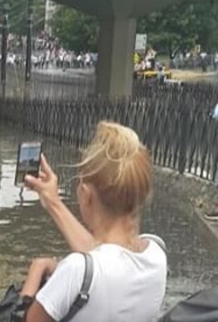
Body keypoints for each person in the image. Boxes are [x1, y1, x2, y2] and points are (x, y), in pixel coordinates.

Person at [20, 122, 167, 322]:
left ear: (86, 195)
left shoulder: (76, 270)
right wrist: (53, 202)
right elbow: (108, 259)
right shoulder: (157, 253)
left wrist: (36, 270)